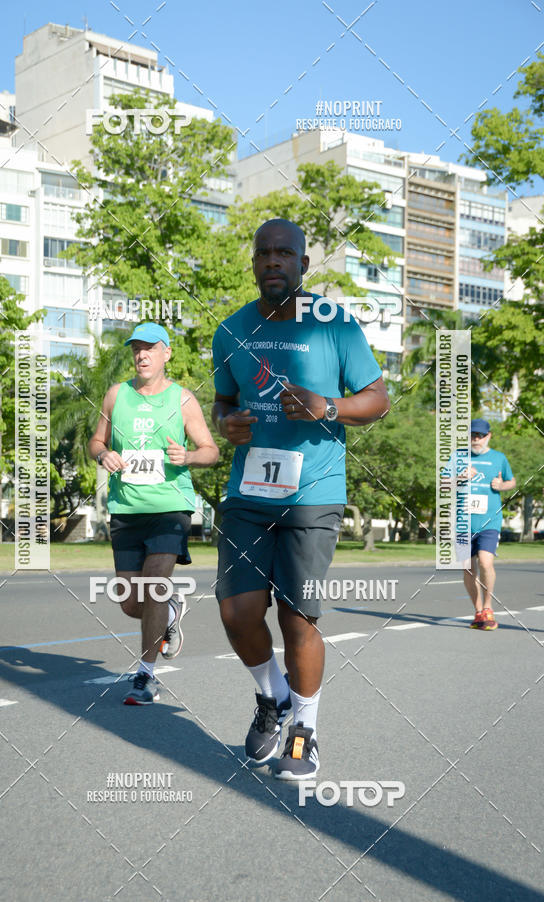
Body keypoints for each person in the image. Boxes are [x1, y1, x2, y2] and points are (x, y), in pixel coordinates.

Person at [211, 219, 390, 780]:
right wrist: (229, 424)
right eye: (264, 253)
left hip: (313, 494)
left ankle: (304, 730)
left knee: (297, 617)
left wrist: (327, 407)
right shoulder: (231, 330)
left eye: (284, 253)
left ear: (303, 264)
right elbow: (221, 404)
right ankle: (273, 698)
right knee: (237, 611)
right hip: (248, 491)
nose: (273, 261)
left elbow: (378, 400)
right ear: (254, 262)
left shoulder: (336, 325)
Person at [89, 322, 218, 703]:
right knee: (131, 602)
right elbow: (96, 440)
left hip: (170, 507)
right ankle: (172, 613)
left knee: (155, 584)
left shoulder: (182, 400)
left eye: (150, 348)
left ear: (167, 353)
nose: (141, 355)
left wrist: (190, 456)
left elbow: (210, 449)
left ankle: (146, 676)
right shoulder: (117, 395)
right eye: (136, 349)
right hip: (126, 509)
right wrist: (102, 453)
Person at [462, 418, 515, 630]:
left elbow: (512, 481)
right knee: (467, 568)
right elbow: (443, 483)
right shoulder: (459, 457)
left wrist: (501, 485)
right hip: (463, 521)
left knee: (485, 562)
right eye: (473, 435)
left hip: (489, 520)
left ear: (488, 436)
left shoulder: (499, 458)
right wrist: (460, 477)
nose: (476, 439)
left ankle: (488, 607)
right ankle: (477, 612)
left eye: (480, 435)